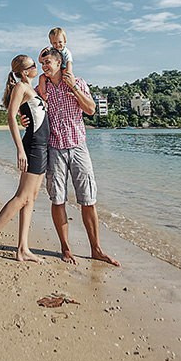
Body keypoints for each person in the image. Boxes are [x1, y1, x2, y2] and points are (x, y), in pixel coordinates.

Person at [37, 47, 120, 267]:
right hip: (54, 148)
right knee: (57, 199)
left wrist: (73, 87)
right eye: (42, 64)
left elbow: (91, 109)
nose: (44, 67)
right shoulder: (42, 89)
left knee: (88, 199)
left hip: (78, 147)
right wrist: (23, 118)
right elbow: (26, 106)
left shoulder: (78, 82)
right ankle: (65, 248)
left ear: (59, 63)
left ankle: (96, 249)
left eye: (47, 63)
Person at [0, 54, 49, 264]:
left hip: (43, 148)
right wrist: (20, 150)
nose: (37, 67)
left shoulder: (32, 89)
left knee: (31, 198)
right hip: (32, 147)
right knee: (22, 198)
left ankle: (23, 248)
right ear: (25, 71)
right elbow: (10, 116)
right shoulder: (21, 87)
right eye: (34, 64)